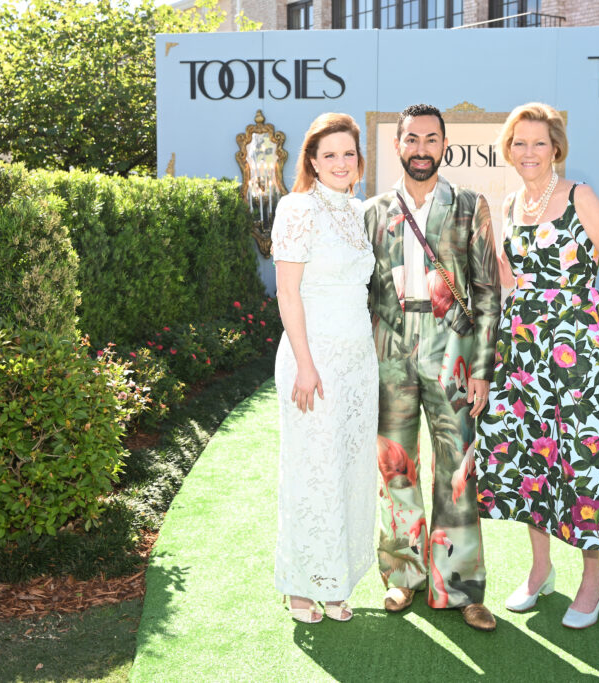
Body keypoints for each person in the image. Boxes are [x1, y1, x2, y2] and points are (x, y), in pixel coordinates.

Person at [473, 102, 599, 629]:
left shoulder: (579, 196)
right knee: (533, 456)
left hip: (579, 360)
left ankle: (593, 580)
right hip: (523, 355)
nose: (529, 152)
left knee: (584, 460)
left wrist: (585, 318)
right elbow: (511, 282)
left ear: (556, 149)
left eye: (539, 143)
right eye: (519, 142)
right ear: (508, 149)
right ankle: (540, 569)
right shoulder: (509, 204)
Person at [364, 104, 501, 632]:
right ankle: (404, 574)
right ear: (397, 145)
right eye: (412, 139)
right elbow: (363, 292)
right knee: (395, 465)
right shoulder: (374, 211)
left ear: (444, 145)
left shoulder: (469, 205)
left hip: (454, 350)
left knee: (457, 468)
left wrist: (482, 367)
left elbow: (487, 291)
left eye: (430, 139)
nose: (421, 149)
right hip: (390, 347)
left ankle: (460, 587)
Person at [271, 113, 377, 624]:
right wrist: (306, 366)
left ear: (359, 161)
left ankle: (335, 583)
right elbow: (287, 293)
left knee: (349, 470)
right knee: (311, 470)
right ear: (311, 161)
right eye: (329, 154)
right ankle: (300, 586)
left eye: (348, 153)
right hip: (312, 360)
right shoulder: (296, 208)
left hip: (358, 361)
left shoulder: (357, 211)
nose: (340, 162)